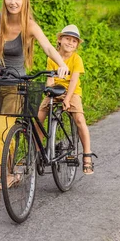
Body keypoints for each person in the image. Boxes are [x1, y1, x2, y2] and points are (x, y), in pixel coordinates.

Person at [0, 0, 69, 203]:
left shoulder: (29, 25)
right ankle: (9, 173)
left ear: (24, 1)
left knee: (4, 129)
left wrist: (61, 63)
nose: (13, 2)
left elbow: (48, 47)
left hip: (15, 85)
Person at [37, 24, 95, 175]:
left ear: (77, 45)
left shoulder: (77, 59)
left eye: (74, 41)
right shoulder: (52, 57)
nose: (70, 43)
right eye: (67, 39)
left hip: (72, 92)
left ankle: (87, 156)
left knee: (79, 119)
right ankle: (36, 152)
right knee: (39, 117)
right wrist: (49, 91)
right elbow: (50, 78)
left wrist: (68, 99)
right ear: (60, 40)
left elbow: (74, 81)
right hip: (55, 90)